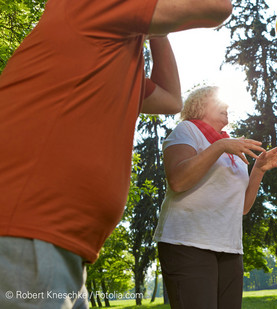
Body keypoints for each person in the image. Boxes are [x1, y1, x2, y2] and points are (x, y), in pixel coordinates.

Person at [0, 0, 235, 308]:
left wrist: (155, 30)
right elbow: (216, 6)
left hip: (53, 243)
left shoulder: (112, 50)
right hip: (25, 232)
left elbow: (170, 100)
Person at [154, 85, 277, 309]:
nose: (226, 106)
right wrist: (220, 146)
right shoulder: (187, 130)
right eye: (218, 102)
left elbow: (243, 207)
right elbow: (178, 180)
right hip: (187, 242)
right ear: (199, 105)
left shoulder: (232, 147)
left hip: (229, 248)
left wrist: (258, 170)